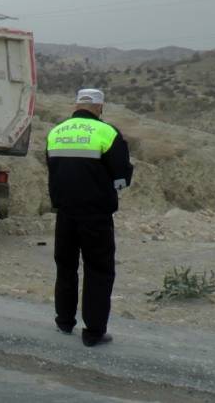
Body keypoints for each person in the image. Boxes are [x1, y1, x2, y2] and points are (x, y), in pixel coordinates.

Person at [46, 88, 134, 347]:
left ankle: (64, 321)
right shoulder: (107, 133)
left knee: (66, 267)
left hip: (64, 214)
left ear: (76, 105)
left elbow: (53, 169)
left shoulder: (55, 132)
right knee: (98, 271)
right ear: (100, 107)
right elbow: (121, 177)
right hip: (96, 215)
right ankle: (93, 332)